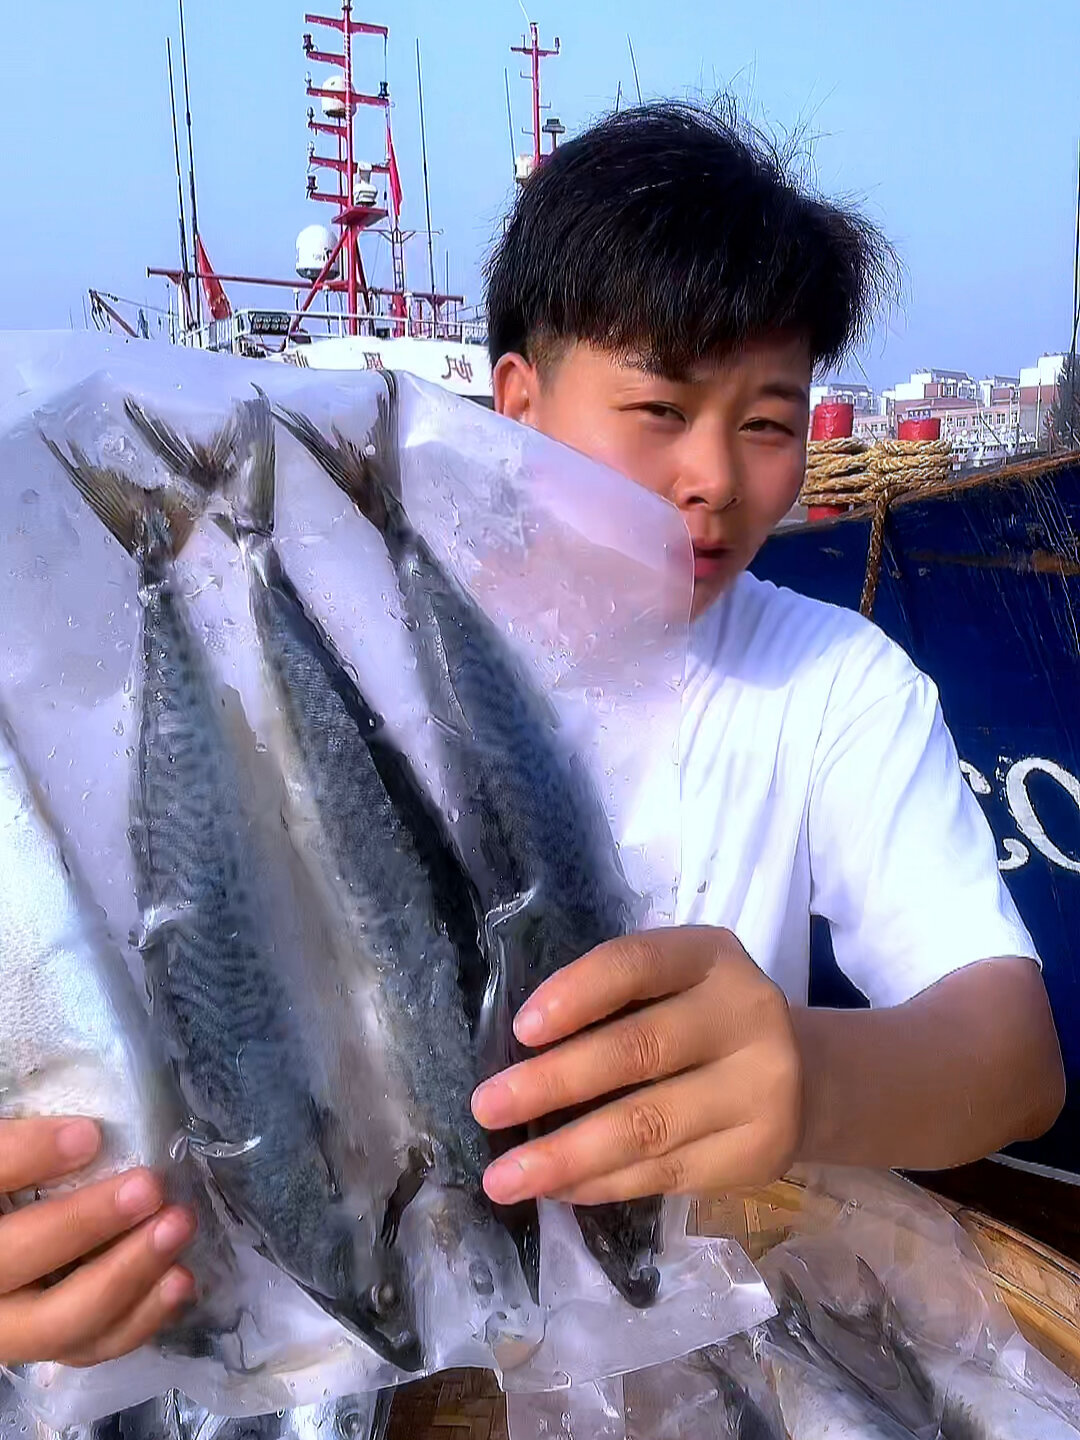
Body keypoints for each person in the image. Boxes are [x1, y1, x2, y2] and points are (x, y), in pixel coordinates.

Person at [0, 103, 1062, 1368]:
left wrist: (813, 1075)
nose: (715, 478)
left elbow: (1016, 1059)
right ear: (517, 403)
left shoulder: (830, 683)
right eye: (658, 407)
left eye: (769, 423)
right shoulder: (320, 636)